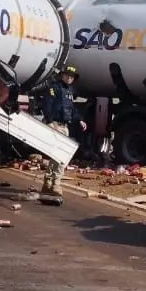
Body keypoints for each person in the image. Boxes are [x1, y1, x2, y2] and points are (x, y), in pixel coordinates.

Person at [39, 65, 86, 202]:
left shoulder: (69, 91)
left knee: (57, 156)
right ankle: (55, 185)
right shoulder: (55, 88)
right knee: (60, 157)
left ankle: (48, 184)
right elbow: (47, 104)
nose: (69, 78)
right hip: (56, 125)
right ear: (62, 75)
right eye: (67, 75)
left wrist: (80, 120)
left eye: (72, 76)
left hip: (65, 126)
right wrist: (50, 122)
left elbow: (71, 110)